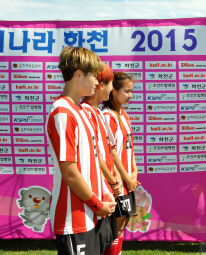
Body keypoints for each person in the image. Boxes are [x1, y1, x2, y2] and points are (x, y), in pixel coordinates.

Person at [46, 46, 116, 255]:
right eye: (94, 76)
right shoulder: (63, 113)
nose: (97, 81)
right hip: (73, 218)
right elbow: (69, 171)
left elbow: (93, 161)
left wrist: (104, 194)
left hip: (92, 214)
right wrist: (97, 204)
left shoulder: (81, 112)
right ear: (78, 74)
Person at [81, 63, 123, 254]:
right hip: (98, 191)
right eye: (110, 84)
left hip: (106, 189)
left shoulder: (97, 112)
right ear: (100, 85)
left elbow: (109, 150)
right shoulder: (85, 112)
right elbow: (94, 154)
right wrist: (112, 181)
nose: (111, 89)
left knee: (109, 237)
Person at [102, 72, 141, 255]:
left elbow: (129, 147)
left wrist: (134, 172)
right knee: (115, 227)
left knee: (122, 224)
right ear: (114, 92)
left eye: (132, 91)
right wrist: (125, 178)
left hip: (127, 182)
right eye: (127, 91)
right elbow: (111, 153)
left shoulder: (123, 114)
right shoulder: (107, 116)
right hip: (117, 183)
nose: (130, 95)